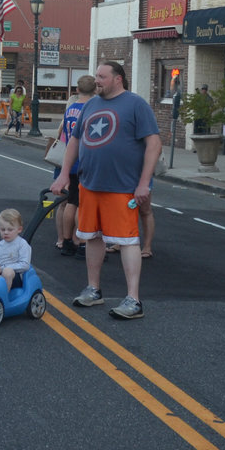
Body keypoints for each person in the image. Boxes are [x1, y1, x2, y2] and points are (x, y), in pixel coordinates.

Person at [49, 60, 161, 320]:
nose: (96, 80)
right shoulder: (90, 105)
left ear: (117, 79)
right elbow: (74, 140)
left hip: (122, 188)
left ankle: (133, 299)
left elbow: (154, 144)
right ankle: (93, 289)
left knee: (127, 241)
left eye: (101, 76)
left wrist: (144, 182)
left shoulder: (136, 105)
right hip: (90, 184)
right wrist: (65, 173)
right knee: (92, 237)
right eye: (96, 76)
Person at [51, 74, 97, 254]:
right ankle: (81, 241)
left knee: (70, 202)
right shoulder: (91, 109)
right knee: (81, 204)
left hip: (70, 159)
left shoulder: (71, 109)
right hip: (85, 159)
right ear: (95, 90)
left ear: (77, 90)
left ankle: (66, 239)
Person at [0, 208, 31, 291]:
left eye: (10, 229)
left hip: (16, 276)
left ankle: (4, 295)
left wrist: (3, 268)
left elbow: (25, 265)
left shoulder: (22, 244)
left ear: (19, 229)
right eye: (2, 229)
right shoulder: (0, 244)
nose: (6, 232)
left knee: (7, 272)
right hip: (0, 273)